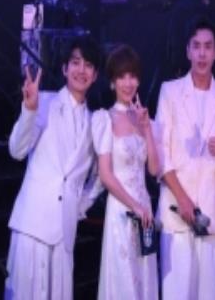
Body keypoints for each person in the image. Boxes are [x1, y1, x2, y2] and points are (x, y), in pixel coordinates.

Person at [4, 37, 102, 300]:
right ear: (64, 68)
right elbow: (17, 150)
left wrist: (78, 206)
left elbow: (99, 177)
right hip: (32, 225)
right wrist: (29, 110)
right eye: (75, 62)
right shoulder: (44, 102)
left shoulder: (94, 122)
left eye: (88, 65)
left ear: (95, 75)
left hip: (64, 233)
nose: (81, 70)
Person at [155, 17, 215, 300]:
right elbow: (161, 154)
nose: (202, 53)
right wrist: (183, 199)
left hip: (211, 215)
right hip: (176, 212)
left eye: (208, 47)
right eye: (197, 46)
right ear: (188, 51)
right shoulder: (169, 92)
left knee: (210, 294)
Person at [91, 45, 159, 299]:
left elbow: (154, 169)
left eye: (132, 76)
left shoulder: (142, 118)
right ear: (112, 82)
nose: (128, 83)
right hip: (121, 210)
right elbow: (106, 175)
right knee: (124, 283)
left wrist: (147, 129)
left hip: (145, 212)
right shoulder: (104, 119)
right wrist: (134, 206)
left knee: (144, 281)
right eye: (121, 76)